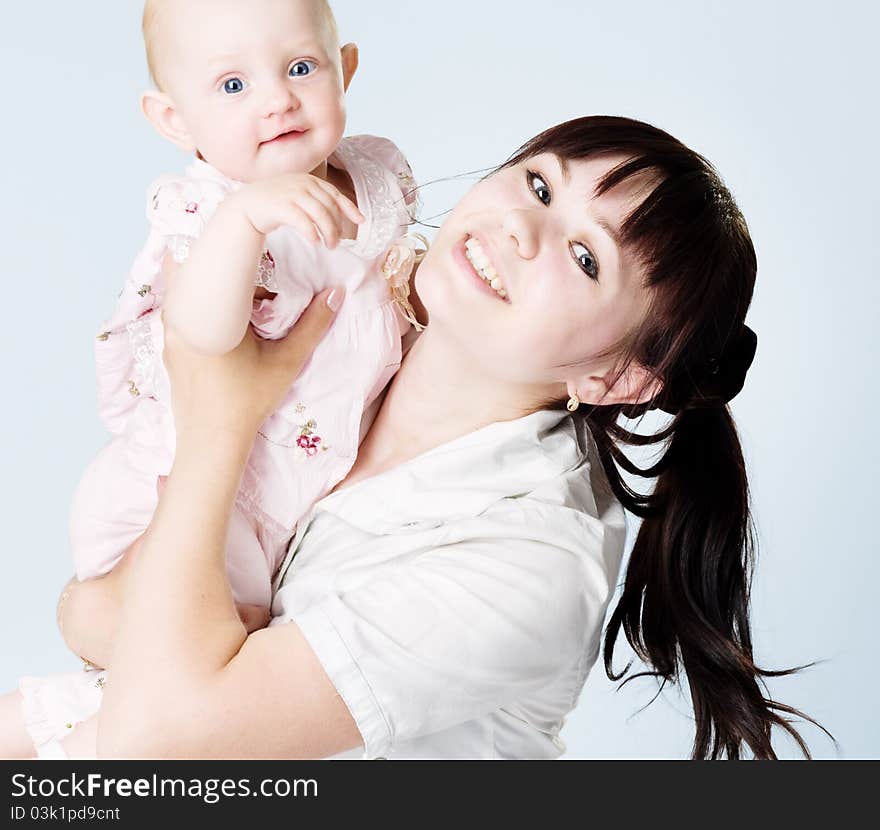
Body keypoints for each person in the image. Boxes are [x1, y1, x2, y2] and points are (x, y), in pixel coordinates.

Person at [1, 116, 832, 760]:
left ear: (615, 380)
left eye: (585, 259)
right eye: (540, 186)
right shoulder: (337, 322)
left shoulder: (534, 564)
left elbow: (156, 739)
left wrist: (221, 418)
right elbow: (95, 613)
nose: (521, 229)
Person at [6, 0, 427, 758]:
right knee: (186, 671)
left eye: (301, 68)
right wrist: (247, 223)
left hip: (285, 504)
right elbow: (201, 335)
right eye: (231, 86)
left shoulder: (376, 177)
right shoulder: (205, 212)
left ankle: (48, 737)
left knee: (184, 694)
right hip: (183, 497)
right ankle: (41, 739)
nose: (276, 99)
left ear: (346, 71)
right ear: (175, 121)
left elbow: (395, 285)